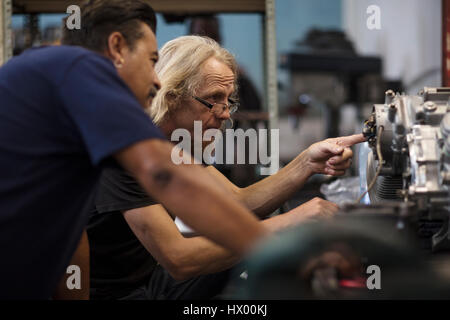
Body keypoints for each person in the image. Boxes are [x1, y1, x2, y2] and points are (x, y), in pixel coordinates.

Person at [0, 0, 268, 299]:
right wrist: (273, 243)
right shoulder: (80, 71)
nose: (157, 79)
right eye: (152, 60)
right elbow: (163, 174)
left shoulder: (56, 91)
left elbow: (72, 238)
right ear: (116, 48)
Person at [85, 35, 366, 300]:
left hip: (150, 280)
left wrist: (307, 162)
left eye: (228, 100)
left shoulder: (178, 144)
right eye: (214, 99)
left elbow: (237, 203)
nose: (225, 114)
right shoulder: (124, 151)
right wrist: (289, 224)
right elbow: (178, 258)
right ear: (171, 96)